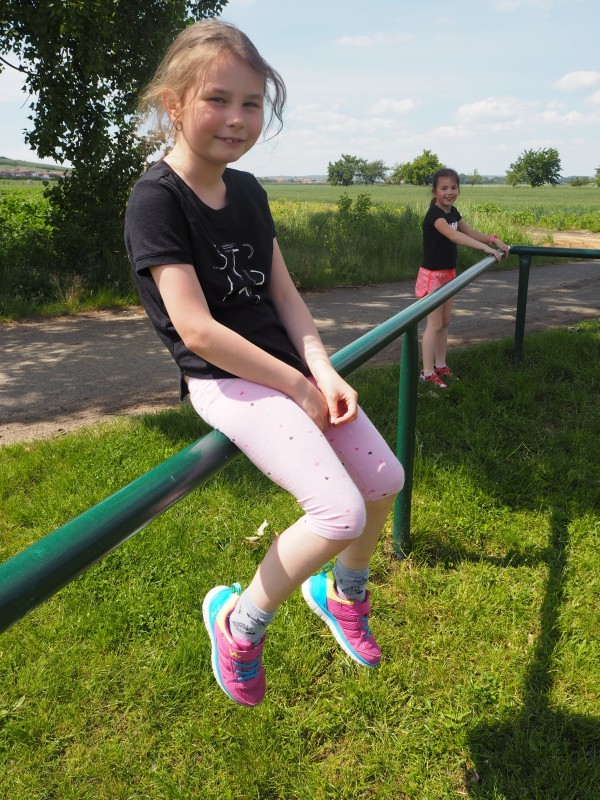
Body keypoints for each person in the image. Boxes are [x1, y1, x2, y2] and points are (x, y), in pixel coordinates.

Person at [124, 19, 404, 708]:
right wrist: (295, 386)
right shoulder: (157, 200)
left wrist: (323, 371)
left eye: (251, 103)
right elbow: (197, 329)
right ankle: (239, 623)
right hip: (224, 380)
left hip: (289, 372)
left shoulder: (248, 191)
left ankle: (344, 592)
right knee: (338, 514)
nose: (237, 118)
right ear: (174, 104)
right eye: (218, 99)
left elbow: (283, 295)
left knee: (384, 480)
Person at [416, 168, 510, 387]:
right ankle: (427, 373)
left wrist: (493, 240)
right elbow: (454, 235)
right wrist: (484, 249)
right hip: (433, 276)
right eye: (444, 188)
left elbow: (469, 231)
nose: (449, 192)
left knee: (445, 322)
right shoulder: (435, 215)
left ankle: (441, 365)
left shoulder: (452, 212)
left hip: (448, 273)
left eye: (453, 187)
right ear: (434, 191)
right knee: (434, 324)